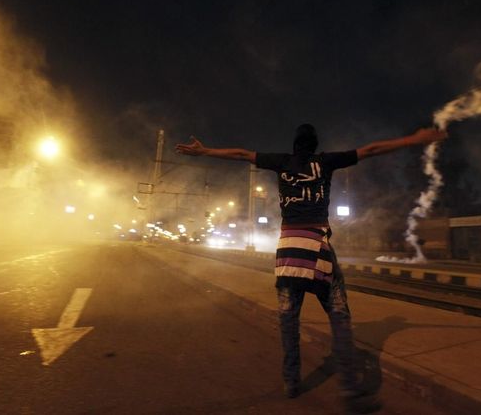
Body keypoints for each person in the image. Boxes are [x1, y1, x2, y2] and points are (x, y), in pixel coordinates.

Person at [176, 124, 446, 412]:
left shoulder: (281, 162)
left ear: (295, 146)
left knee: (289, 319)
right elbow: (371, 150)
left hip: (288, 252)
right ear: (315, 145)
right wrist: (414, 139)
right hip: (318, 250)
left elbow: (242, 154)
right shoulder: (325, 162)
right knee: (340, 318)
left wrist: (205, 152)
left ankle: (291, 381)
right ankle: (351, 389)